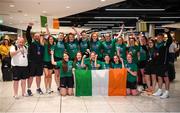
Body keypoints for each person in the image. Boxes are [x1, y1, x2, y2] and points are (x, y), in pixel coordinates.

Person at [153, 28, 173, 99]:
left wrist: (168, 33)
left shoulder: (165, 44)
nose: (159, 39)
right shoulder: (156, 45)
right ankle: (160, 90)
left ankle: (167, 92)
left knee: (166, 78)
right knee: (159, 77)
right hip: (158, 64)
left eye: (160, 38)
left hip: (164, 64)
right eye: (158, 38)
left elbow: (170, 40)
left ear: (163, 38)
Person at [26, 23, 44, 96]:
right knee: (31, 76)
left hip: (39, 63)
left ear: (39, 37)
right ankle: (29, 89)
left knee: (38, 76)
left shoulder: (41, 44)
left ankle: (38, 88)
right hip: (32, 63)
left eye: (38, 36)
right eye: (36, 36)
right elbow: (27, 34)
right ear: (33, 37)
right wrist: (29, 27)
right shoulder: (31, 43)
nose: (37, 37)